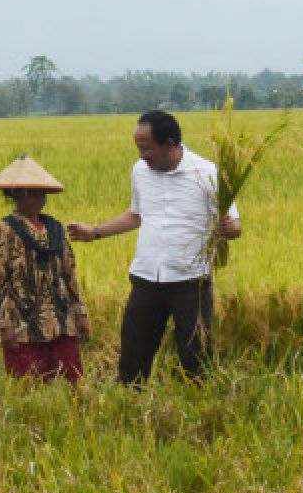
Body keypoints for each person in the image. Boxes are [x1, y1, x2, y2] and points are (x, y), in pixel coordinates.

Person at [67, 110, 241, 384]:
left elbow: (234, 224)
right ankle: (130, 410)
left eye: (146, 148)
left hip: (190, 282)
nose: (141, 155)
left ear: (170, 144)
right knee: (133, 357)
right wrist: (95, 232)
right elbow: (136, 215)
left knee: (196, 359)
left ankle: (199, 413)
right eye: (138, 147)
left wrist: (231, 229)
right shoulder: (140, 171)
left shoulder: (207, 173)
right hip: (146, 278)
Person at [0, 156, 89, 383]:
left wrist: (80, 312)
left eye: (41, 193)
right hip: (23, 322)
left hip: (61, 319)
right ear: (16, 195)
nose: (38, 199)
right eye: (31, 193)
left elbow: (69, 274)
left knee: (70, 384)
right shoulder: (4, 231)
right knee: (28, 386)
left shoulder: (55, 228)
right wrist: (5, 325)